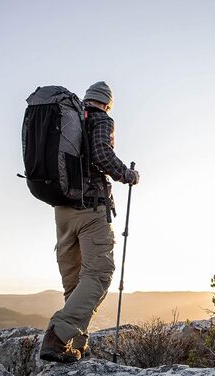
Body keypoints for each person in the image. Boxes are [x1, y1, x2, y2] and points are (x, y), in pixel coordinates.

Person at [39, 81, 140, 363]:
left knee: (74, 282)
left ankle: (74, 343)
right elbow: (102, 154)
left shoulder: (65, 118)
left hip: (61, 211)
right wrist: (128, 175)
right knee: (99, 274)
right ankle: (58, 335)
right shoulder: (100, 119)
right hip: (90, 209)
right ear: (107, 103)